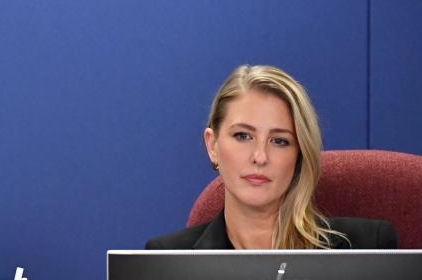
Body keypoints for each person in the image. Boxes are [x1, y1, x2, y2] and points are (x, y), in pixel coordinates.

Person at [146, 65, 397, 250]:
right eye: (243, 136)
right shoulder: (164, 260)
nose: (260, 156)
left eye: (279, 141)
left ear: (299, 154)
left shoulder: (366, 247)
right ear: (213, 146)